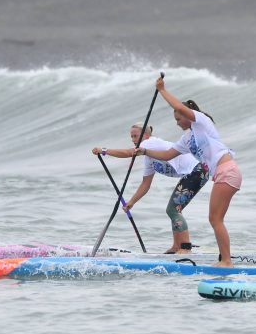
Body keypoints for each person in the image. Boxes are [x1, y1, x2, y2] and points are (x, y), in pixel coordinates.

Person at [134, 76, 242, 267]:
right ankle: (224, 258)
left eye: (178, 118)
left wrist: (162, 90)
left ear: (186, 115)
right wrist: (145, 151)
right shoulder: (187, 138)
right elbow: (167, 155)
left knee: (215, 219)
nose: (177, 122)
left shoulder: (202, 122)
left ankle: (226, 260)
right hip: (223, 174)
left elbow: (181, 107)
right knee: (215, 219)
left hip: (228, 171)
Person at [92, 122, 209, 254]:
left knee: (173, 210)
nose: (133, 140)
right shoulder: (149, 157)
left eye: (135, 136)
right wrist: (131, 202)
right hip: (195, 173)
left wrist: (104, 151)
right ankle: (177, 247)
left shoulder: (150, 143)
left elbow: (129, 152)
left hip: (197, 170)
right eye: (131, 137)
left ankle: (185, 248)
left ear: (146, 135)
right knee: (173, 209)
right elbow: (146, 184)